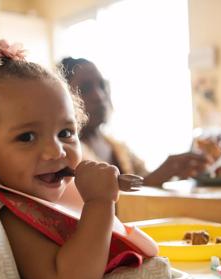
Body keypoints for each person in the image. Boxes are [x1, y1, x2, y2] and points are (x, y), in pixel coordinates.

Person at [0, 40, 161, 279]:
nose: (57, 152)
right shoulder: (12, 216)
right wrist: (99, 202)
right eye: (27, 137)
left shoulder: (52, 192)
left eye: (65, 133)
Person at [58, 57, 212, 187]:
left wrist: (174, 171)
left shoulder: (116, 145)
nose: (99, 96)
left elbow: (144, 178)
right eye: (85, 89)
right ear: (63, 99)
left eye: (102, 85)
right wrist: (154, 179)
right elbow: (94, 202)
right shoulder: (67, 153)